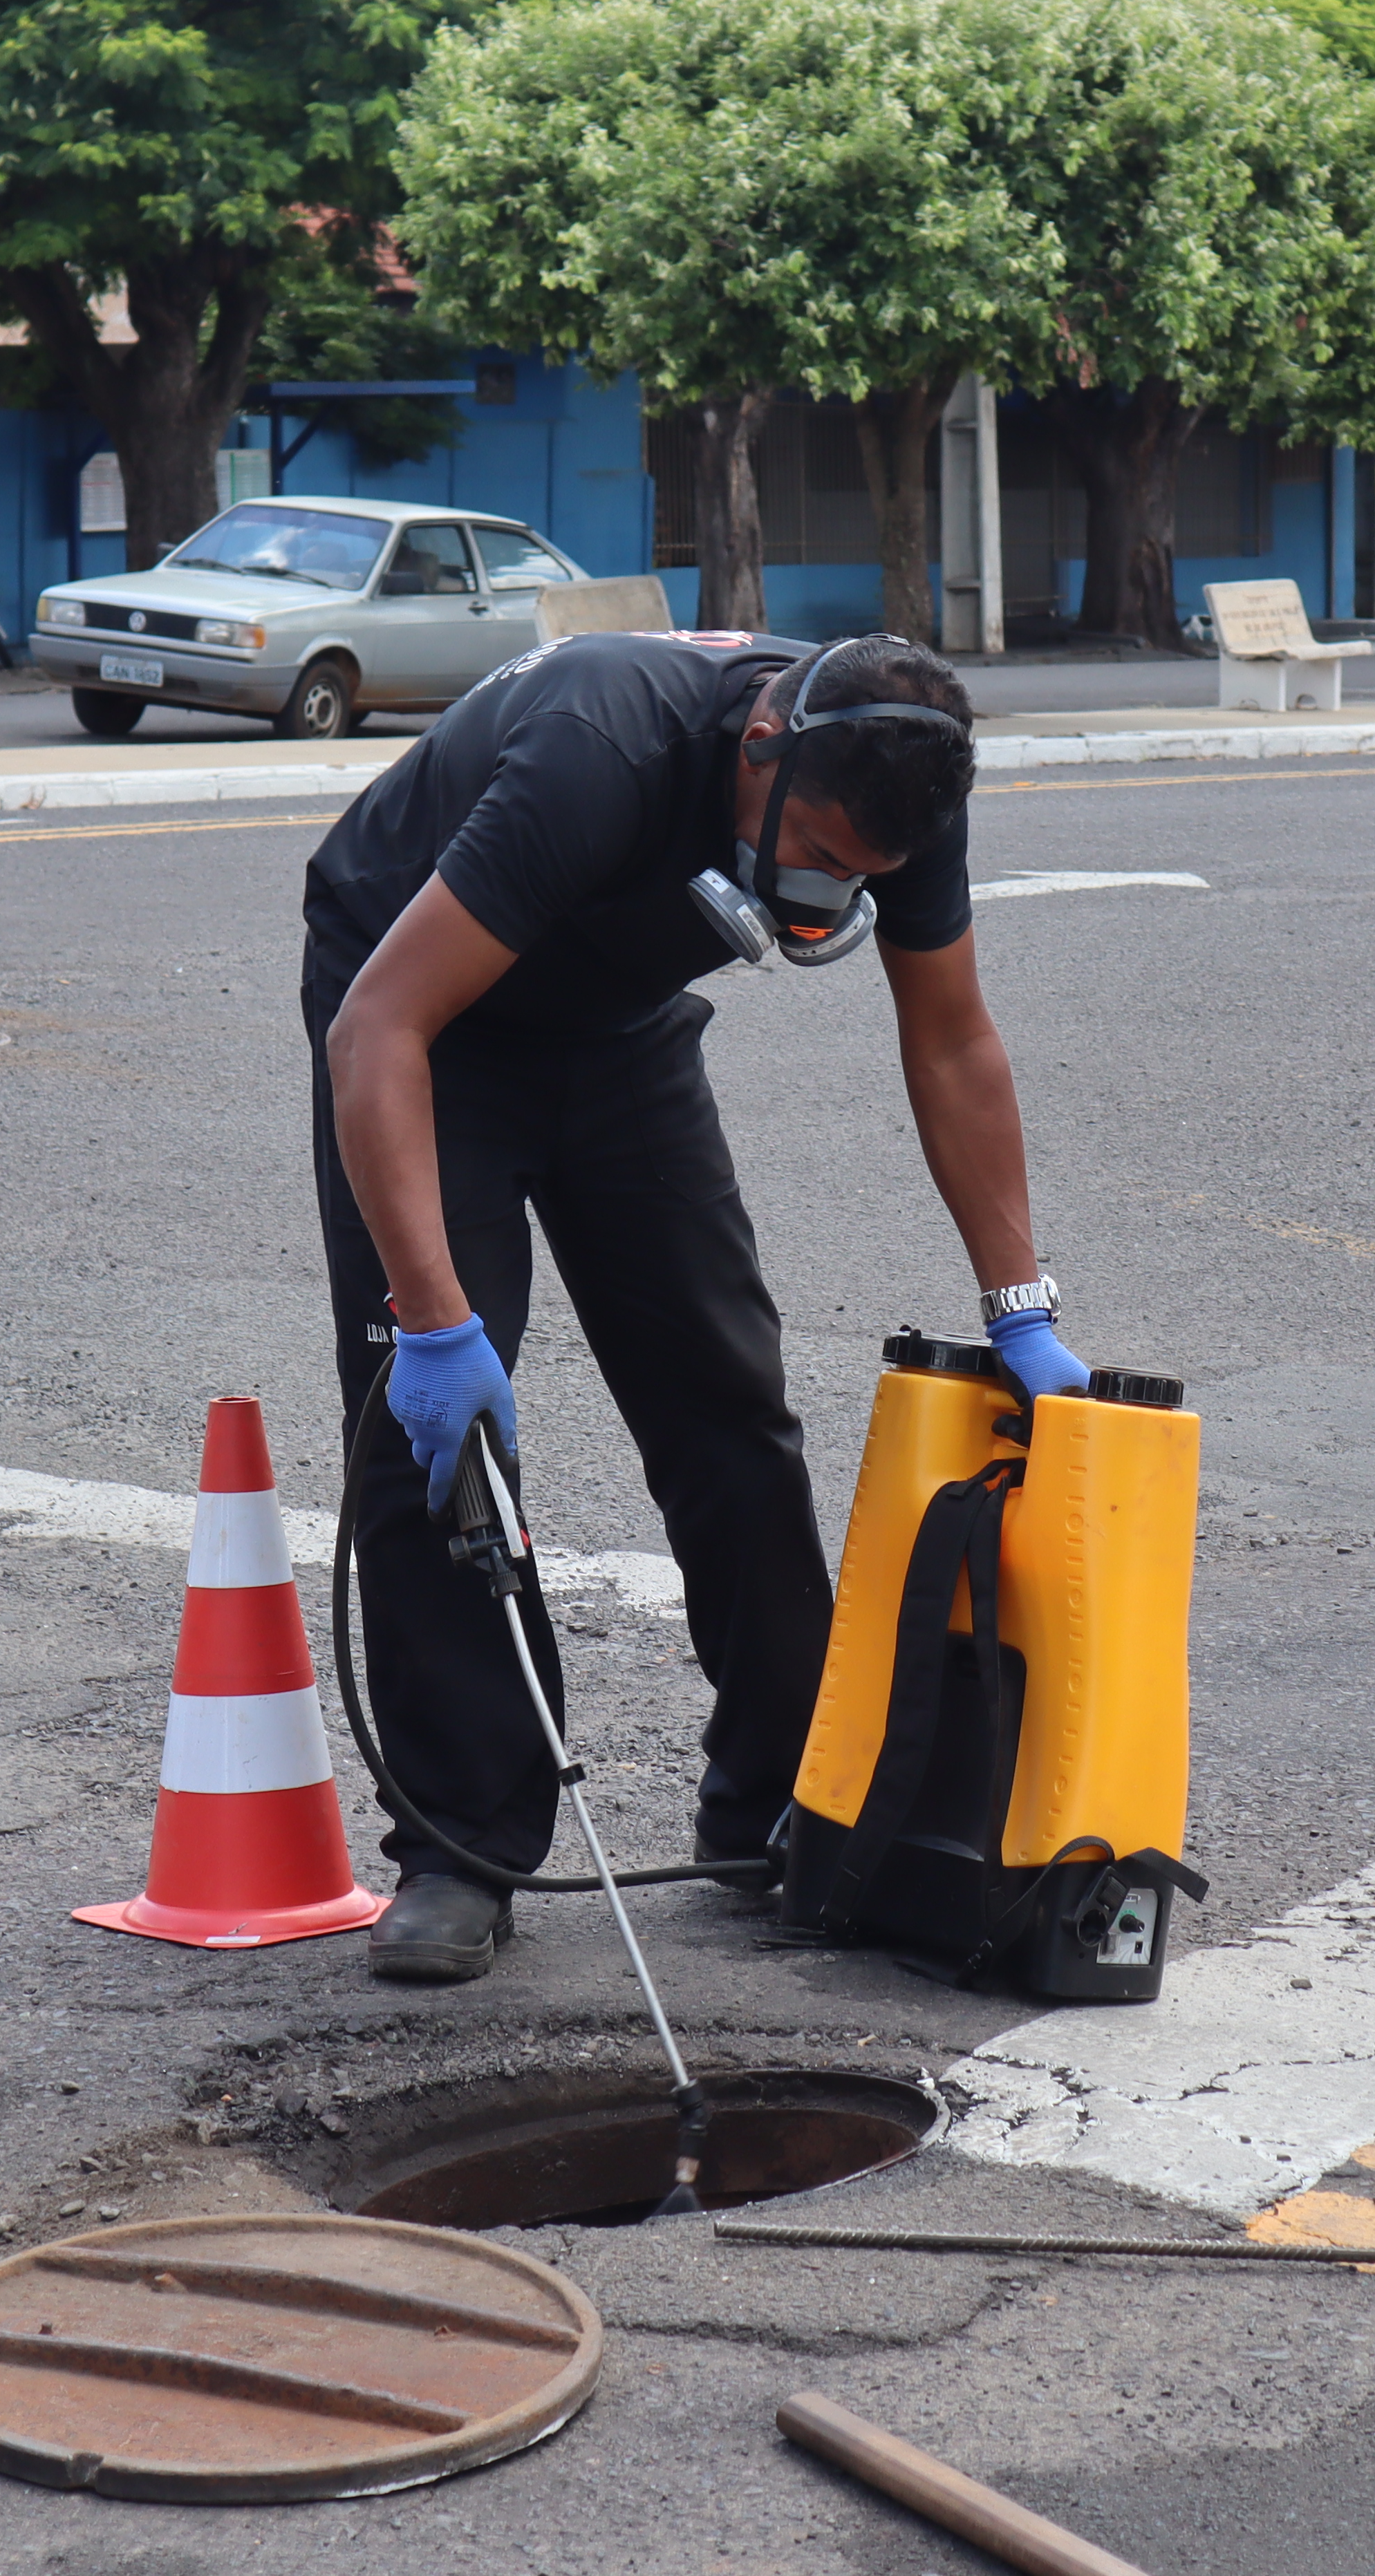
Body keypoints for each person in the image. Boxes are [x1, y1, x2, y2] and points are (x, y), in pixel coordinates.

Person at [302, 627, 1089, 1983]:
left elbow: (954, 1036)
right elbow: (379, 1028)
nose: (833, 890)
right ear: (763, 746)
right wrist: (431, 1321)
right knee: (434, 1446)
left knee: (729, 1400)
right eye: (824, 854)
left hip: (619, 1029)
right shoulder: (600, 755)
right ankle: (462, 1845)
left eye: (865, 876)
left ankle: (779, 1795)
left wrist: (1020, 1304)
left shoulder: (905, 771)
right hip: (425, 1017)